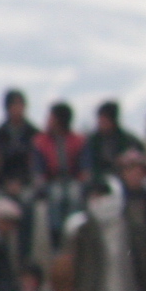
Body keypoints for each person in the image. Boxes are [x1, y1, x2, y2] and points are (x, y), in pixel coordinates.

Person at [31, 103, 90, 246]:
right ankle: (57, 238)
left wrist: (84, 179)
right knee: (57, 196)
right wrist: (41, 182)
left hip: (73, 180)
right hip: (51, 182)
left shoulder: (78, 140)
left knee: (74, 195)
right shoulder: (40, 141)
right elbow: (38, 170)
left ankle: (74, 234)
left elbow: (85, 168)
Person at [0, 90, 38, 189]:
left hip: (29, 184)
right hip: (2, 184)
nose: (18, 108)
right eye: (14, 104)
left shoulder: (35, 135)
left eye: (20, 104)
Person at [83, 101, 143, 180]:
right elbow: (87, 163)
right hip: (99, 180)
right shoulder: (93, 141)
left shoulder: (128, 139)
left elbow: (140, 157)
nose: (100, 123)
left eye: (104, 119)